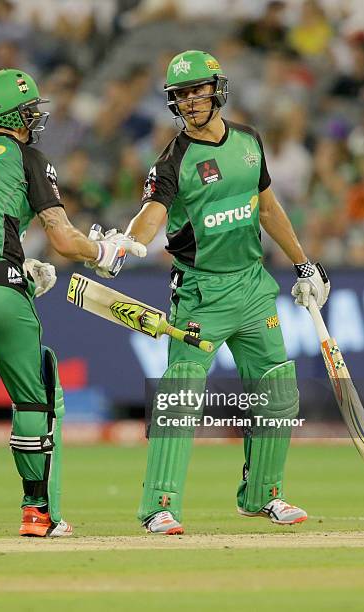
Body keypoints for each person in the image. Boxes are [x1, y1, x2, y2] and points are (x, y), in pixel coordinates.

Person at [0, 68, 145, 541]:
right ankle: (36, 512)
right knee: (32, 399)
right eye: (29, 111)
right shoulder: (28, 157)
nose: (34, 119)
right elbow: (63, 239)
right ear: (15, 115)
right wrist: (102, 252)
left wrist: (21, 264)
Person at [123, 50, 330, 534]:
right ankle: (159, 506)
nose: (190, 101)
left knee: (278, 389)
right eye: (181, 94)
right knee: (180, 395)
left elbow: (269, 209)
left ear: (217, 89)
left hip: (254, 287)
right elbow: (152, 214)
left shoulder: (248, 141)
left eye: (197, 90)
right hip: (201, 294)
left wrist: (304, 264)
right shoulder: (172, 160)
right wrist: (128, 242)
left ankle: (263, 496)